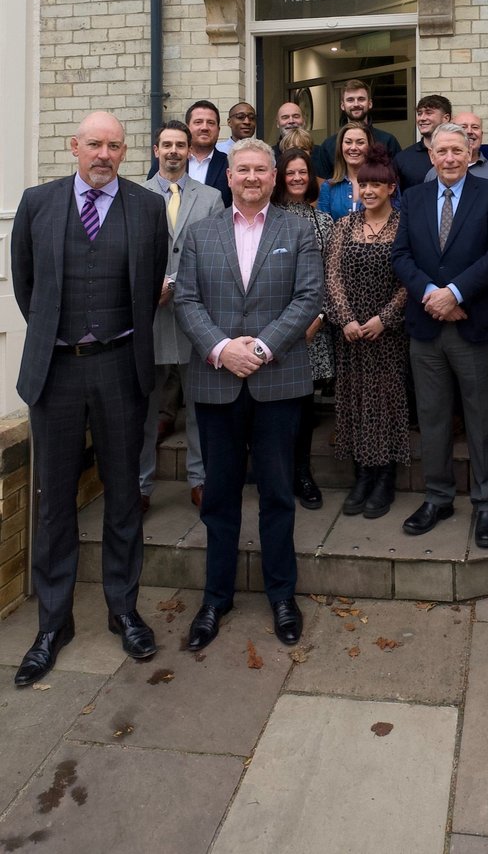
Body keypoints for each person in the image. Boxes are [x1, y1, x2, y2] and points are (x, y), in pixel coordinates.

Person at [11, 111, 168, 686]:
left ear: (126, 153)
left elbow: (150, 286)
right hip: (56, 370)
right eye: (95, 144)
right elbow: (27, 286)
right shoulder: (37, 203)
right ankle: (53, 623)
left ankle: (123, 610)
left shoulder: (148, 208)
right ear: (75, 146)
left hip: (120, 369)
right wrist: (61, 332)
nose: (104, 154)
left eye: (115, 146)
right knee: (54, 499)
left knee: (124, 494)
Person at [174, 138, 324, 651]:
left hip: (277, 381)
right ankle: (216, 598)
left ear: (274, 177)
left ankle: (282, 594)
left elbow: (309, 297)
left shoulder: (298, 230)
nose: (253, 177)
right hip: (216, 380)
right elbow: (187, 300)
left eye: (262, 170)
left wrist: (258, 349)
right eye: (244, 170)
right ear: (229, 176)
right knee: (218, 497)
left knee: (279, 494)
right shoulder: (198, 234)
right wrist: (221, 349)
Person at [392, 123, 488, 549]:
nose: (448, 158)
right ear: (430, 155)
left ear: (469, 154)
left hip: (473, 324)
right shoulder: (414, 197)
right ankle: (438, 497)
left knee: (482, 420)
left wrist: (456, 293)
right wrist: (431, 294)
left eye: (456, 151)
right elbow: (401, 255)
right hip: (426, 328)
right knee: (433, 419)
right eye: (440, 151)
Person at [139, 120, 224, 513]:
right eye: (166, 144)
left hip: (195, 313)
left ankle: (200, 478)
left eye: (180, 145)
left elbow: (218, 253)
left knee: (199, 405)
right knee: (144, 406)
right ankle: (140, 485)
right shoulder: (134, 196)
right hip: (148, 316)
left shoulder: (210, 198)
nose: (173, 151)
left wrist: (174, 282)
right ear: (155, 150)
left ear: (190, 151)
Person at [325, 146, 410, 519]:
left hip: (387, 334)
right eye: (364, 184)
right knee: (354, 402)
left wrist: (385, 318)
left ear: (391, 187)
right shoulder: (345, 226)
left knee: (386, 404)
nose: (370, 190)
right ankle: (361, 475)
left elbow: (410, 281)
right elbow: (332, 276)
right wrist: (345, 319)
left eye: (377, 184)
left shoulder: (404, 225)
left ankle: (384, 477)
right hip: (351, 333)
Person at [271, 148, 334, 509]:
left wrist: (319, 317)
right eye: (290, 173)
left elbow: (330, 275)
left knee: (304, 408)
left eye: (302, 173)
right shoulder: (269, 217)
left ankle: (302, 473)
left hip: (312, 329)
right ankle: (275, 473)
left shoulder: (323, 220)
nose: (296, 178)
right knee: (274, 408)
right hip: (272, 328)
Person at [426, 109, 488, 225]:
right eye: (463, 127)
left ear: (482, 135)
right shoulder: (432, 173)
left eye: (475, 127)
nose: (469, 131)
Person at [147, 100, 232, 207]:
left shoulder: (229, 164)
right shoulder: (166, 161)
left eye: (210, 123)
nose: (204, 127)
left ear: (218, 130)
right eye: (198, 122)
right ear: (187, 128)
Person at [314, 80, 401, 178]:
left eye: (361, 99)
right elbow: (323, 184)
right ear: (342, 105)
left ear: (370, 103)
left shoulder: (388, 141)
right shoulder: (328, 146)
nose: (356, 104)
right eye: (350, 100)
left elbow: (395, 180)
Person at [317, 122, 375, 221]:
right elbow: (323, 228)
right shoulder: (329, 187)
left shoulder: (383, 184)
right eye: (348, 142)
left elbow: (394, 221)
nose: (353, 148)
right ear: (341, 146)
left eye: (360, 142)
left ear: (369, 147)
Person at [394, 95, 452, 190]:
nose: (422, 118)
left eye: (429, 113)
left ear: (446, 118)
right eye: (419, 113)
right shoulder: (403, 159)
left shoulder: (458, 155)